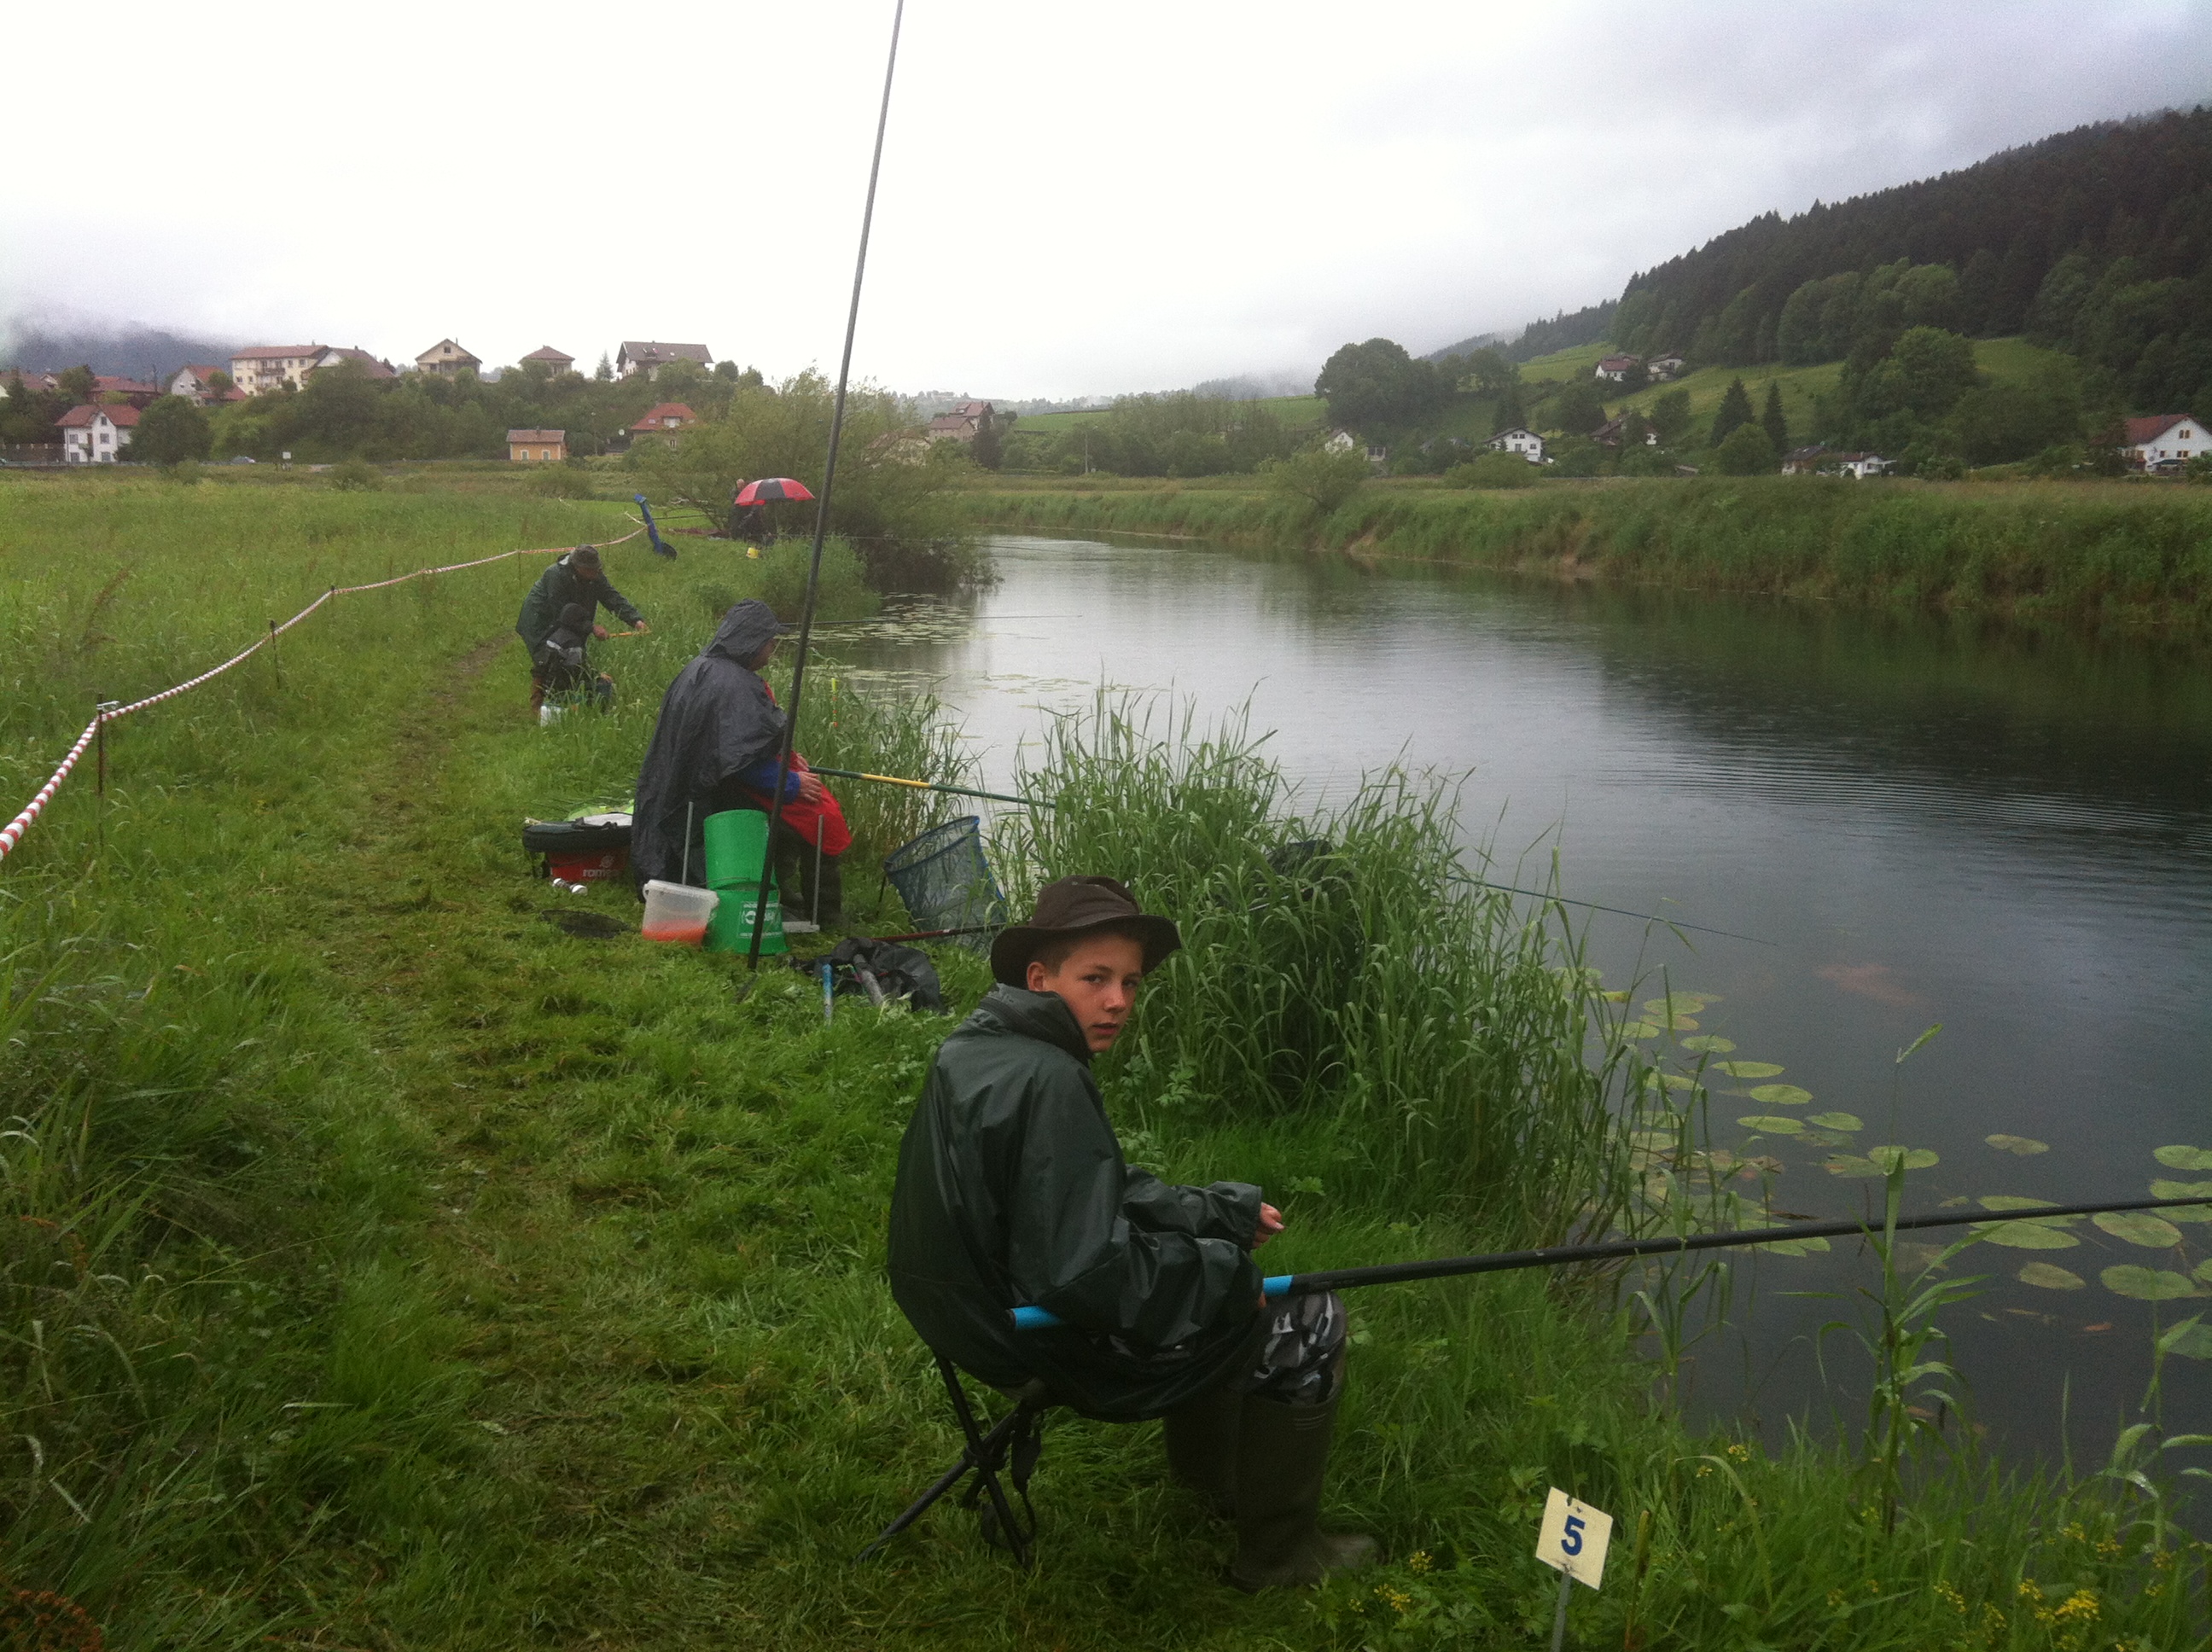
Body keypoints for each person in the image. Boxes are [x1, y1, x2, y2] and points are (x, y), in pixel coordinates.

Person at [887, 875, 1376, 1590]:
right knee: (1309, 1317)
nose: (1118, 1001)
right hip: (1036, 1336)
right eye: (1096, 979)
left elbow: (1086, 1182)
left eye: (1131, 982)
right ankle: (1280, 1558)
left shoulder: (979, 1047)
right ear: (1040, 978)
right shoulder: (1051, 1080)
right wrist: (1223, 1277)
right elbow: (1083, 1275)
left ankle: (1209, 1481)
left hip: (960, 1312)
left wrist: (1216, 1212)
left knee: (1208, 1277)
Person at [629, 599, 849, 924]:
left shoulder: (699, 667)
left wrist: (786, 757)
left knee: (795, 810)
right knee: (819, 813)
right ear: (751, 642)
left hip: (683, 790)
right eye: (770, 643)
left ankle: (779, 889)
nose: (772, 651)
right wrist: (791, 783)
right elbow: (741, 763)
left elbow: (731, 745)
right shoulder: (736, 685)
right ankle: (825, 912)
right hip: (710, 795)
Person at [515, 544, 646, 713]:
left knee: (571, 656)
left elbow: (611, 596)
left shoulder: (595, 576)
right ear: (577, 567)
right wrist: (591, 627)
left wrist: (635, 620)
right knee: (546, 659)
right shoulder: (555, 575)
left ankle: (567, 702)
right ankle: (538, 707)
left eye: (596, 569)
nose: (595, 573)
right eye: (590, 570)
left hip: (567, 620)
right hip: (539, 621)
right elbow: (562, 611)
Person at [531, 602, 614, 717]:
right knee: (604, 683)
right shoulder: (573, 643)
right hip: (565, 689)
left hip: (549, 688)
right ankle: (600, 714)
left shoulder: (554, 636)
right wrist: (597, 676)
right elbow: (578, 671)